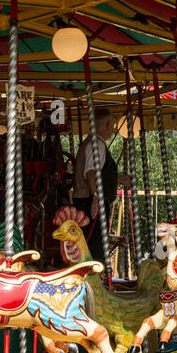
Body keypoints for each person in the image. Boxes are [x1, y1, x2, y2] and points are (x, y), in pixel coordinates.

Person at [71, 110, 120, 263]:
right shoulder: (96, 143)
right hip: (90, 200)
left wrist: (119, 178)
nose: (113, 130)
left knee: (91, 242)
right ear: (105, 126)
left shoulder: (92, 142)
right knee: (94, 244)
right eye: (112, 125)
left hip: (88, 198)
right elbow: (91, 172)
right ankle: (93, 278)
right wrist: (95, 198)